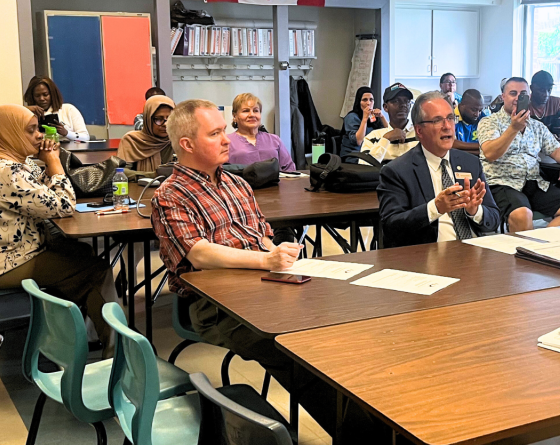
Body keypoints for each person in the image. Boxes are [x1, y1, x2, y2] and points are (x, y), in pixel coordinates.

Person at [150, 99, 386, 441]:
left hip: (262, 286)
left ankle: (374, 416)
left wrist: (273, 250)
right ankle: (361, 434)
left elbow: (261, 235)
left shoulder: (236, 184)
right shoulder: (171, 195)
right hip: (213, 306)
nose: (227, 139)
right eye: (215, 133)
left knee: (334, 326)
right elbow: (198, 254)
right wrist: (265, 260)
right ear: (186, 144)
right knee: (292, 349)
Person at [0, 105, 116, 354]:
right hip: (0, 265)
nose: (40, 136)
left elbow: (36, 195)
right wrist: (54, 162)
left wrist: (45, 167)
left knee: (80, 254)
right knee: (95, 271)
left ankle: (84, 334)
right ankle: (118, 354)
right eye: (31, 131)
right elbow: (63, 205)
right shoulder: (5, 171)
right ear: (8, 134)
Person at [377, 92, 500, 247]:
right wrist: (435, 208)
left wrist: (475, 211)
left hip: (475, 253)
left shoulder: (471, 163)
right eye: (437, 121)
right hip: (431, 256)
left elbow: (494, 219)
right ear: (419, 131)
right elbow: (391, 227)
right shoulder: (397, 171)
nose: (447, 126)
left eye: (450, 118)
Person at [477, 77, 560, 232]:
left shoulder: (536, 126)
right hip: (502, 183)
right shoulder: (489, 122)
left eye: (523, 94)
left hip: (533, 182)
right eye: (513, 93)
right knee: (523, 214)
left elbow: (556, 148)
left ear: (529, 97)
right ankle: (527, 253)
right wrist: (513, 128)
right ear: (503, 97)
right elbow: (491, 153)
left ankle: (539, 248)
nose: (518, 98)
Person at [225, 93, 295, 172]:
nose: (252, 114)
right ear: (235, 116)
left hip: (277, 184)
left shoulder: (275, 140)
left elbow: (290, 169)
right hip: (241, 184)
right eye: (246, 111)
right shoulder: (226, 141)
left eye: (255, 111)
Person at [359, 83, 417, 163]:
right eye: (396, 101)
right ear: (386, 107)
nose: (403, 105)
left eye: (406, 101)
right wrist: (386, 139)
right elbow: (364, 167)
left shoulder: (420, 134)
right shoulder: (373, 137)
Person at [118, 95, 175, 172]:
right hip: (138, 184)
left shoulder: (176, 140)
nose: (165, 124)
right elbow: (121, 172)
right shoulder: (132, 140)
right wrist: (152, 175)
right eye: (158, 119)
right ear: (148, 119)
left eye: (170, 119)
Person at [23, 76, 90, 141]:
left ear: (52, 94)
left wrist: (66, 133)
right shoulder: (27, 114)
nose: (42, 99)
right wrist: (25, 110)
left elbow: (85, 137)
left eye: (45, 94)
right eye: (37, 96)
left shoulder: (68, 109)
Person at [341, 86, 385, 156]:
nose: (368, 103)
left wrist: (382, 117)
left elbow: (388, 133)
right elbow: (358, 141)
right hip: (353, 155)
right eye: (365, 100)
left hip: (371, 153)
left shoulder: (373, 116)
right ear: (359, 102)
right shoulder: (351, 117)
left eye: (371, 100)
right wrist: (365, 118)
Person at [528, 70, 560, 139]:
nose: (546, 94)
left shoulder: (557, 103)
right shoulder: (524, 105)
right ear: (531, 88)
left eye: (549, 90)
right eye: (541, 90)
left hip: (552, 146)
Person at [454, 89, 489, 155]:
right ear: (462, 105)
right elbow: (451, 144)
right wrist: (483, 147)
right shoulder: (451, 117)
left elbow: (492, 145)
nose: (477, 114)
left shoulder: (482, 117)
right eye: (474, 110)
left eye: (480, 110)